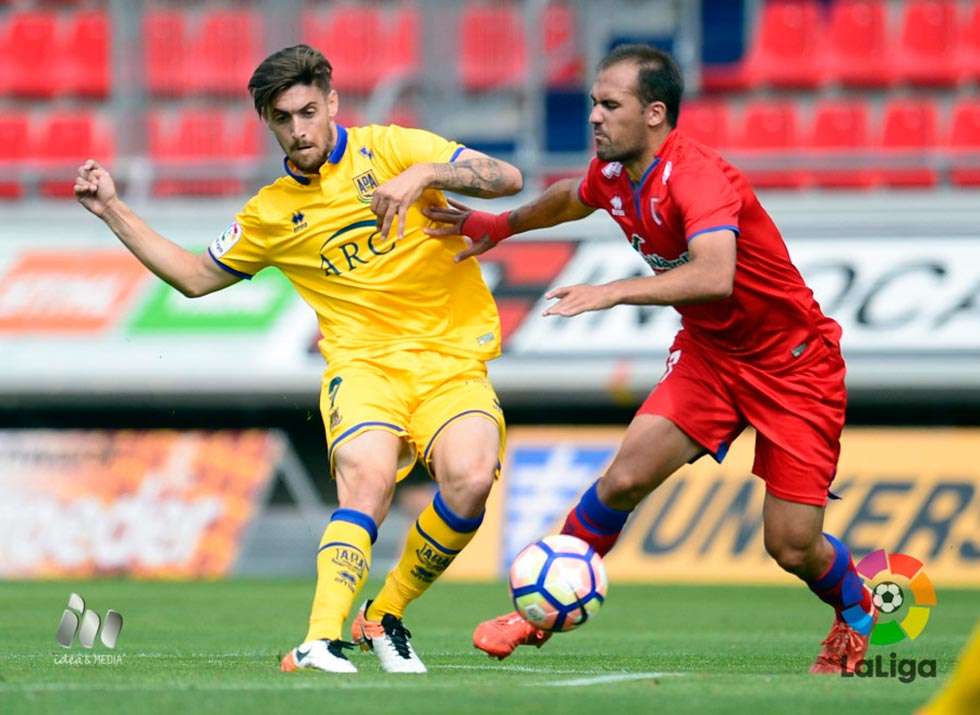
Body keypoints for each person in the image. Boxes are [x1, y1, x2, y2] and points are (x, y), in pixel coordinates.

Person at [423, 44, 874, 674]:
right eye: (593, 104)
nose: (595, 118)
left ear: (655, 113)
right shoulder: (615, 175)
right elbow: (570, 198)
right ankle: (537, 616)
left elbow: (716, 275)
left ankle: (857, 609)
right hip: (712, 356)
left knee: (792, 546)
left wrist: (612, 292)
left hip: (794, 366)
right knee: (623, 479)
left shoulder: (697, 177)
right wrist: (502, 225)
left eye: (610, 105)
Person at [74, 44, 523, 674]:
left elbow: (508, 179)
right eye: (283, 118)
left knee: (472, 480)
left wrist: (424, 175)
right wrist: (113, 211)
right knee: (365, 479)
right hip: (363, 368)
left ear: (333, 102)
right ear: (269, 123)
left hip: (451, 362)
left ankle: (385, 616)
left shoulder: (393, 149)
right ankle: (318, 639)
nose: (299, 129)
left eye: (309, 111)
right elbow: (197, 278)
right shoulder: (271, 213)